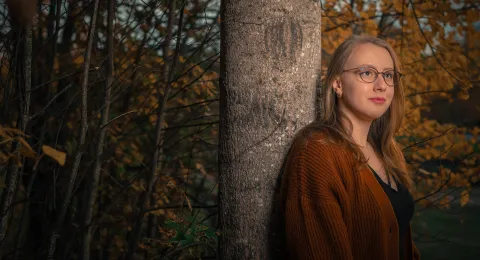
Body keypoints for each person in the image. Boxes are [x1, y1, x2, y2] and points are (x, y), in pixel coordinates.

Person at [280, 35, 421, 260]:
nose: (381, 85)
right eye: (367, 73)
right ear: (337, 84)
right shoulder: (317, 152)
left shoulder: (388, 153)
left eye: (388, 75)